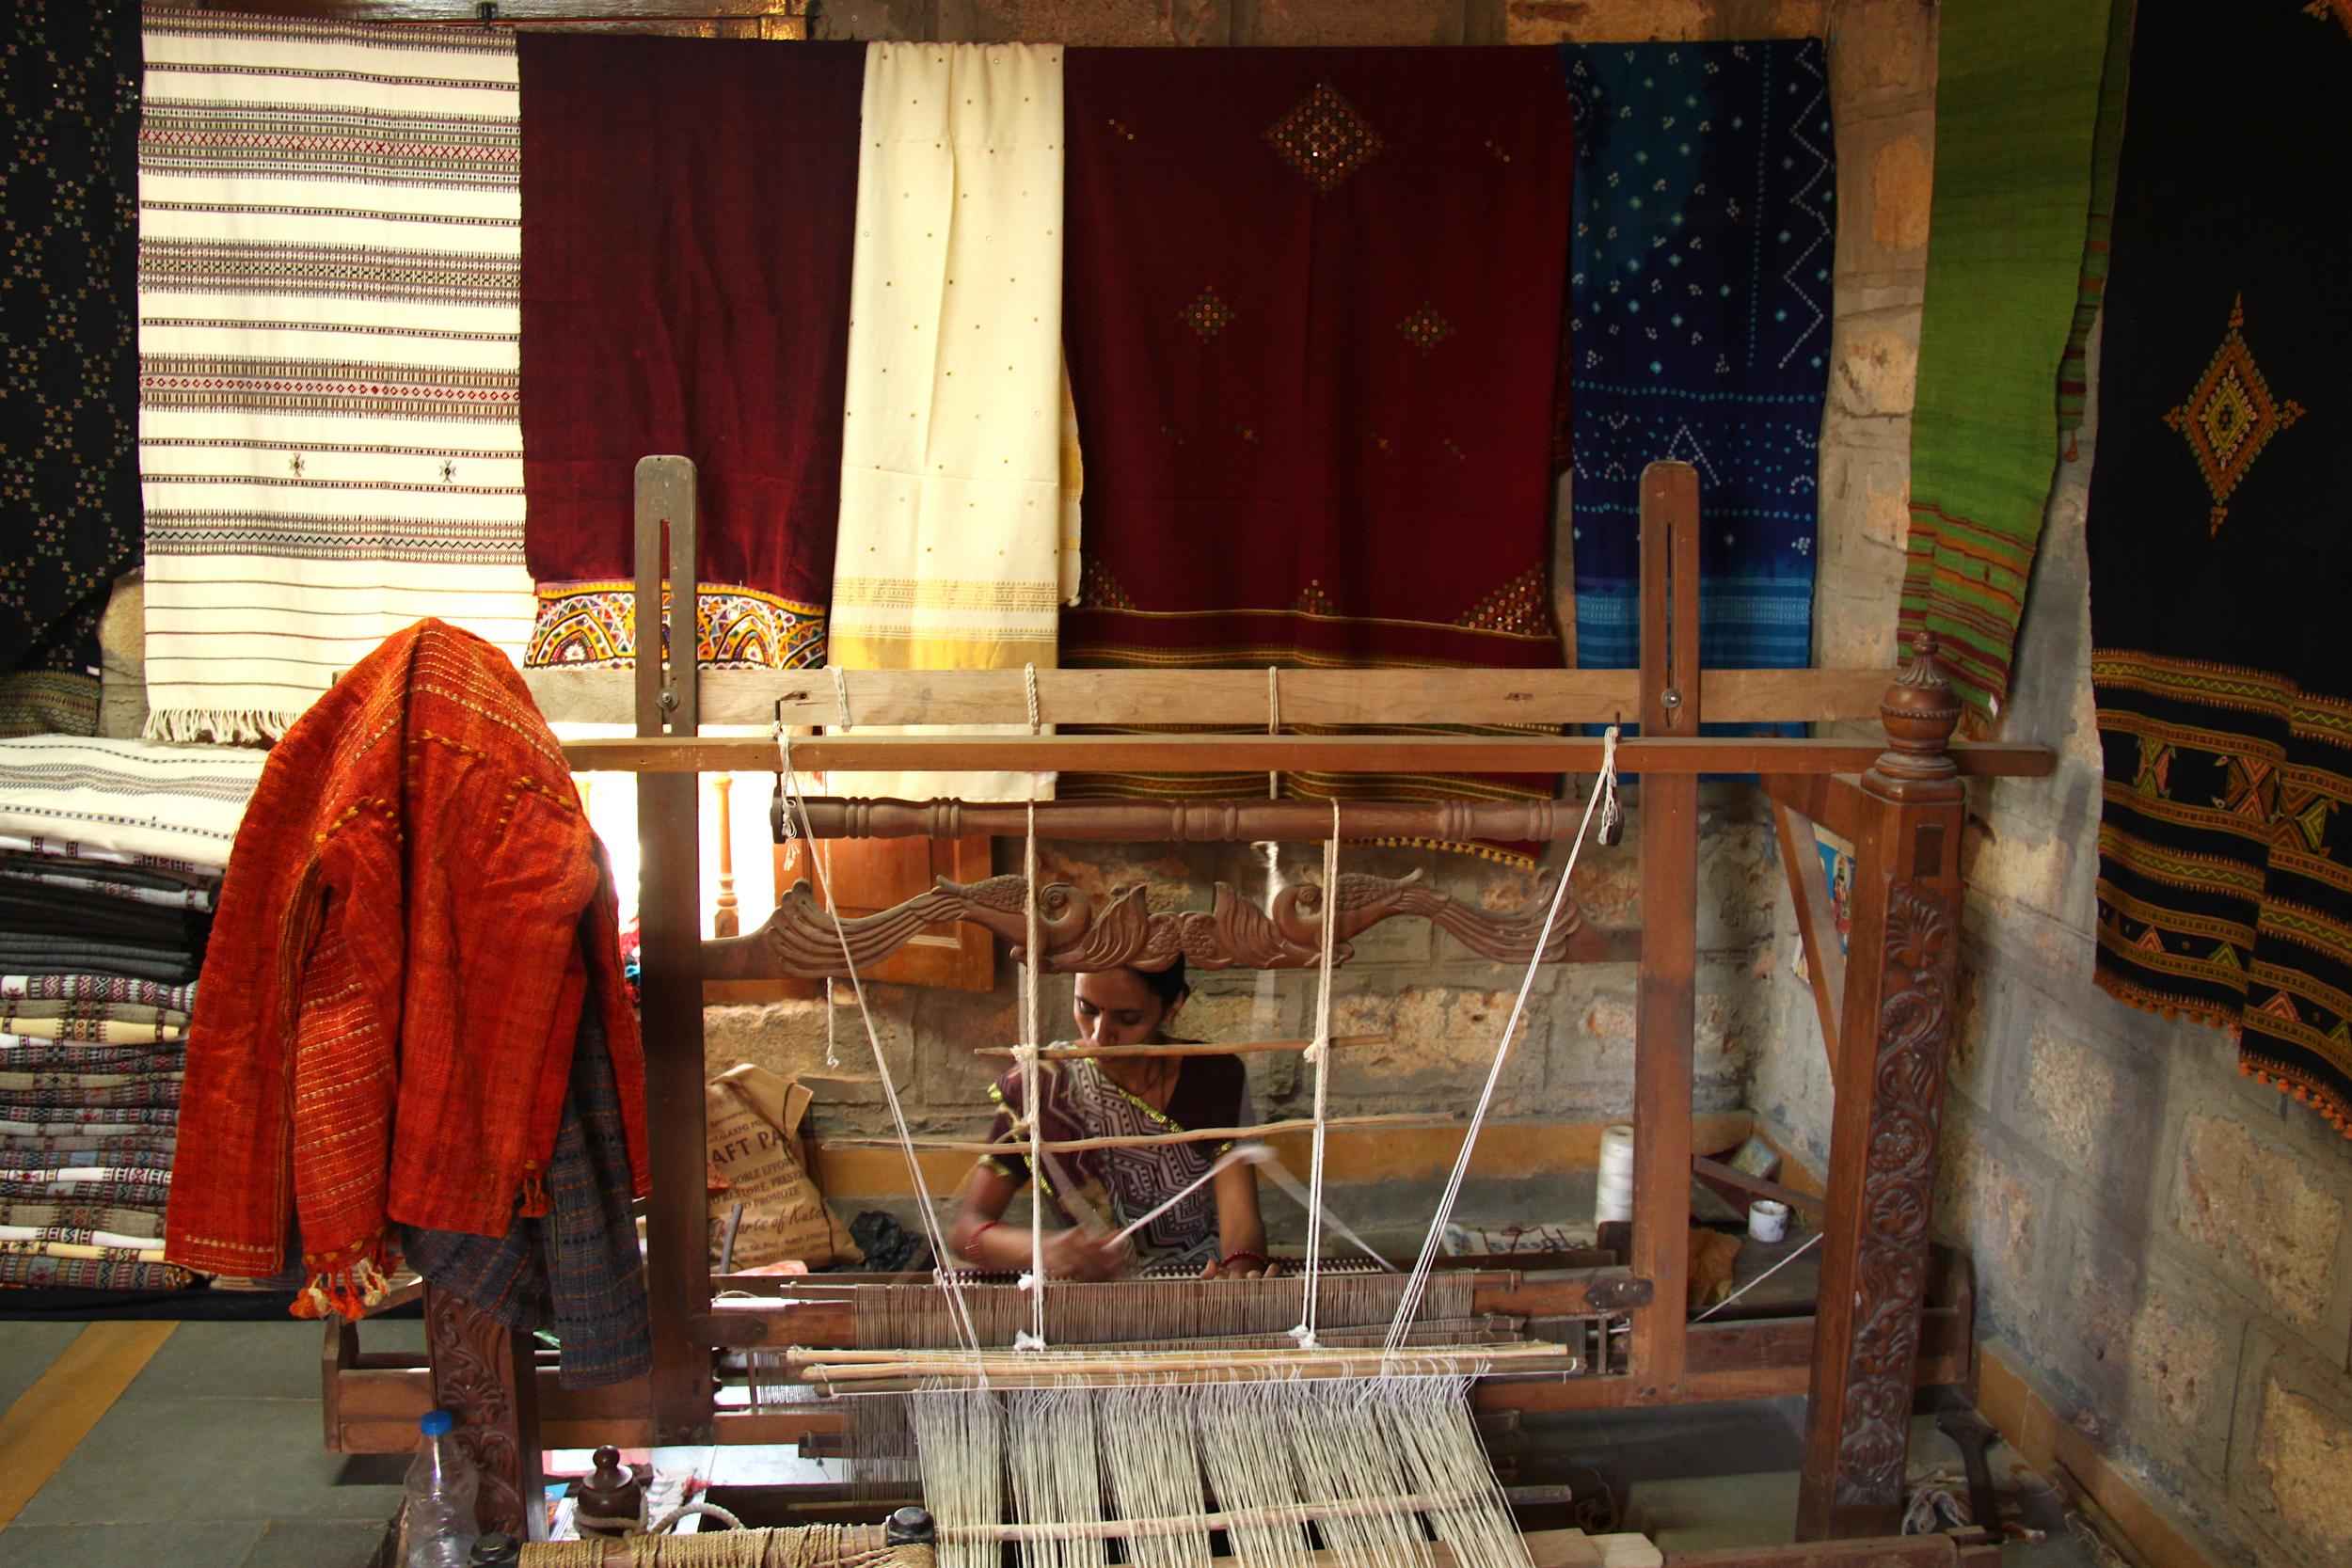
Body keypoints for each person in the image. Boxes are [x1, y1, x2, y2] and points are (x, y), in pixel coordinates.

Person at [944, 958, 1277, 1280]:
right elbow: (966, 1231)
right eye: (1087, 1009)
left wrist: (1238, 1271)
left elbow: (1241, 1219)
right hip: (1097, 1292)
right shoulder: (1042, 1087)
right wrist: (1043, 1250)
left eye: (1129, 1018)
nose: (1100, 1037)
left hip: (1199, 1282)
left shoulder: (1213, 1074)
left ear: (1173, 1006)